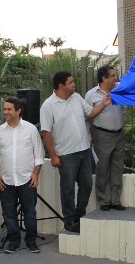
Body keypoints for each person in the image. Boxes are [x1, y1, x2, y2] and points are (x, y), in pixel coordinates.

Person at [40, 71, 112, 233]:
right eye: (71, 82)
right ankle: (69, 220)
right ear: (61, 86)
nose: (74, 84)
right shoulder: (48, 105)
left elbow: (91, 113)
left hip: (84, 151)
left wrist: (104, 104)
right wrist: (53, 156)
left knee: (86, 184)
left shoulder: (77, 98)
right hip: (66, 154)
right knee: (68, 189)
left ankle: (80, 215)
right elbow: (46, 133)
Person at [0, 97, 45, 254]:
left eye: (9, 109)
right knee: (8, 213)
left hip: (26, 178)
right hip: (6, 179)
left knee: (30, 212)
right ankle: (14, 242)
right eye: (5, 109)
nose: (6, 112)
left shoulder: (30, 129)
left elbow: (39, 154)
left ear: (18, 110)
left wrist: (36, 174)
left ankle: (31, 242)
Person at [85, 65, 126, 212]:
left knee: (117, 167)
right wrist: (89, 137)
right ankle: (104, 200)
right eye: (113, 75)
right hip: (102, 134)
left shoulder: (120, 89)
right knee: (102, 167)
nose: (116, 78)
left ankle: (115, 200)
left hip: (119, 134)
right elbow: (87, 117)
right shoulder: (91, 95)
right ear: (104, 78)